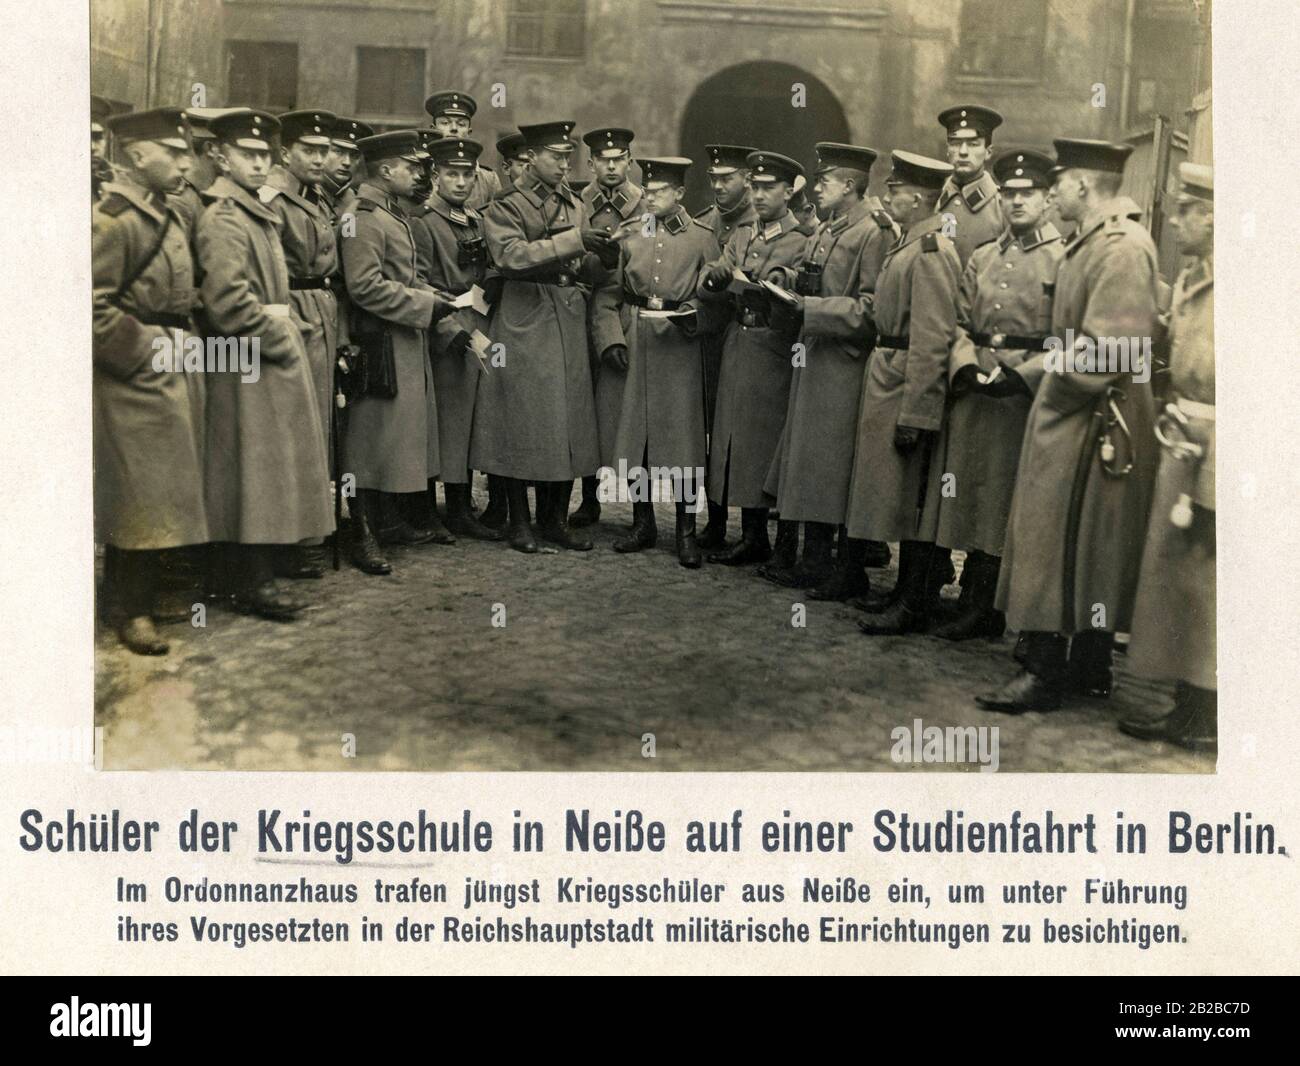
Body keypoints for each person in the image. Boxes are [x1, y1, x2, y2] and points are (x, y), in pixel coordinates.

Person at [978, 138, 1160, 712]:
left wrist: (1033, 374)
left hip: (1091, 415)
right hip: (1083, 409)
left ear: (1083, 185)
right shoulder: (1097, 242)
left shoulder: (1122, 247)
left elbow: (1112, 351)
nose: (1051, 190)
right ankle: (1085, 664)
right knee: (1082, 544)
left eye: (1059, 181)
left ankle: (1047, 669)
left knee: (1063, 540)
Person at [196, 109, 333, 620]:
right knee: (250, 470)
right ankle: (249, 580)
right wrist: (282, 333)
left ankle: (243, 574)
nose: (257, 165)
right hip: (245, 355)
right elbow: (228, 301)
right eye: (246, 155)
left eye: (263, 156)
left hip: (262, 350)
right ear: (220, 156)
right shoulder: (224, 217)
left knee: (261, 468)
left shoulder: (253, 209)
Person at [922, 148, 1064, 640]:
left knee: (1002, 495)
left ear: (1048, 200)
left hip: (1022, 396)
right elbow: (959, 322)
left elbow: (1070, 338)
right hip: (976, 387)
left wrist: (1025, 374)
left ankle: (988, 605)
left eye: (1030, 194)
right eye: (1010, 194)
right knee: (966, 488)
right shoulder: (983, 256)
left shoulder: (1062, 258)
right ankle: (966, 594)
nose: (1018, 202)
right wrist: (962, 364)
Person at [92, 107, 208, 654]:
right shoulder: (114, 219)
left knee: (158, 486)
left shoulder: (169, 213)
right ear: (139, 157)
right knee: (135, 490)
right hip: (133, 371)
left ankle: (140, 593)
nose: (188, 162)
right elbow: (89, 307)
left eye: (188, 152)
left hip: (168, 360)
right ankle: (129, 608)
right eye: (176, 152)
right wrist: (143, 352)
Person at [758, 143, 895, 599]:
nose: (816, 189)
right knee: (811, 464)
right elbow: (810, 272)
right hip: (815, 358)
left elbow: (874, 311)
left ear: (850, 185)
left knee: (833, 467)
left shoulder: (871, 234)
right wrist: (785, 279)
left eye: (825, 181)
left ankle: (839, 567)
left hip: (843, 365)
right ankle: (814, 561)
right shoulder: (831, 227)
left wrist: (811, 308)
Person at [470, 120, 612, 553]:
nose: (565, 165)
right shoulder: (507, 205)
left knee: (568, 422)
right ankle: (519, 523)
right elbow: (510, 257)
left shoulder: (573, 204)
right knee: (521, 420)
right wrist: (574, 242)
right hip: (524, 314)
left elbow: (583, 264)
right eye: (556, 157)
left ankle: (554, 520)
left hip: (567, 314)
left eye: (569, 157)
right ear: (531, 158)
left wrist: (602, 257)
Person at [1119, 163, 1216, 752]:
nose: (1176, 220)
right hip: (1185, 438)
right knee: (1181, 579)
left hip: (1215, 449)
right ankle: (1187, 699)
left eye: (1187, 210)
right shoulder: (1192, 278)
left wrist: (1213, 484)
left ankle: (1204, 710)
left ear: (1216, 218)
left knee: (1208, 580)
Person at [845, 150, 962, 635]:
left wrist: (918, 412)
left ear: (918, 197)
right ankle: (902, 592)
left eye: (896, 190)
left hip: (905, 381)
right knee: (896, 494)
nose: (888, 195)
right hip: (889, 372)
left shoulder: (932, 251)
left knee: (913, 500)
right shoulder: (909, 242)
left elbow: (934, 340)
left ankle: (914, 600)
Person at [338, 129, 457, 575]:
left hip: (400, 336)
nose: (420, 174)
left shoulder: (390, 212)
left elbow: (401, 275)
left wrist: (432, 296)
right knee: (368, 441)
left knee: (393, 436)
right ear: (386, 171)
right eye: (412, 167)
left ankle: (387, 522)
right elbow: (364, 286)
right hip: (377, 341)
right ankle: (363, 532)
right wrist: (425, 305)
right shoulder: (364, 215)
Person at [589, 156, 718, 567]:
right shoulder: (629, 235)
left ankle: (685, 531)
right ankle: (643, 523)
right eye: (648, 189)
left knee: (683, 441)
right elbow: (607, 295)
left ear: (680, 193)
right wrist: (610, 339)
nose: (651, 196)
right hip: (637, 338)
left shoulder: (702, 238)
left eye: (661, 190)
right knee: (636, 440)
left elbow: (717, 299)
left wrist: (695, 317)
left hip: (679, 345)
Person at [697, 150, 807, 565]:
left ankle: (763, 536)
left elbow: (804, 293)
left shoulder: (801, 239)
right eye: (756, 187)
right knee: (733, 440)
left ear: (788, 191)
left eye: (769, 188)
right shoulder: (744, 235)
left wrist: (781, 286)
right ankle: (749, 533)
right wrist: (715, 276)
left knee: (763, 442)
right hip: (738, 341)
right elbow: (711, 277)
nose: (759, 196)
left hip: (774, 347)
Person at [261, 109, 341, 579]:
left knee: (316, 428)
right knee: (288, 429)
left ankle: (306, 532)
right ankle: (282, 541)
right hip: (291, 311)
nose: (320, 158)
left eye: (324, 150)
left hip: (321, 310)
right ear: (285, 152)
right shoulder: (273, 199)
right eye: (310, 150)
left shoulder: (316, 196)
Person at [415, 135, 505, 540]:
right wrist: (449, 328)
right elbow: (416, 281)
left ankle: (461, 504)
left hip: (480, 322)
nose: (461, 182)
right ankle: (436, 511)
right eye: (452, 174)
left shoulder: (477, 220)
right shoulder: (423, 222)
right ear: (436, 176)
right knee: (446, 422)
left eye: (467, 175)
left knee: (469, 422)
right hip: (445, 328)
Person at [570, 127, 644, 529]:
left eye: (619, 159)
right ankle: (589, 497)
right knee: (585, 407)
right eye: (603, 160)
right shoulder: (579, 203)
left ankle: (639, 506)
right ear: (591, 164)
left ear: (630, 161)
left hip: (625, 315)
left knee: (627, 409)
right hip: (579, 312)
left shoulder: (645, 206)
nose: (611, 166)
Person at [693, 144, 758, 550]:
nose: (718, 186)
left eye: (726, 179)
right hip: (708, 337)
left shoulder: (760, 223)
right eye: (713, 178)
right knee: (712, 431)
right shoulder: (707, 221)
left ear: (747, 181)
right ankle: (714, 521)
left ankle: (752, 526)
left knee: (747, 432)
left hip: (744, 335)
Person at [936, 105, 1006, 266]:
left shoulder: (1002, 206)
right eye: (955, 143)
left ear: (988, 152)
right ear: (947, 149)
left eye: (973, 144)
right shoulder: (932, 199)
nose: (963, 151)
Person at [423, 91, 502, 209]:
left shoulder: (487, 180)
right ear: (433, 130)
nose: (453, 129)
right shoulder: (420, 173)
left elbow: (497, 219)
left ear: (469, 132)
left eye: (461, 124)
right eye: (445, 123)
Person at [322, 117, 372, 220]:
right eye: (338, 152)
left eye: (354, 155)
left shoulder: (354, 201)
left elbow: (349, 234)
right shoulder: (305, 194)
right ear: (323, 151)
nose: (347, 162)